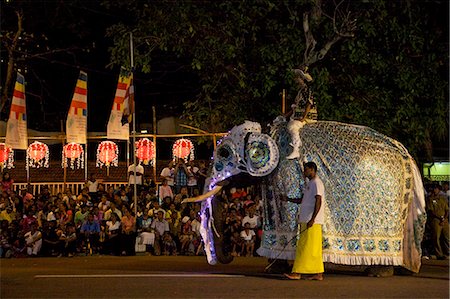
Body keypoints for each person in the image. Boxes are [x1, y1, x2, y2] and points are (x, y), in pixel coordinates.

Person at [284, 161, 325, 281]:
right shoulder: (310, 183)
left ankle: (297, 272)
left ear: (313, 169)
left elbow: (319, 201)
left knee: (304, 246)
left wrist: (313, 219)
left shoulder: (317, 183)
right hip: (306, 220)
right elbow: (304, 200)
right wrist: (288, 199)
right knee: (312, 248)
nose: (305, 172)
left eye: (306, 170)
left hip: (312, 221)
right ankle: (318, 273)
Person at [285, 67, 317, 160]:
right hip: (297, 115)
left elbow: (309, 103)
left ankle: (296, 148)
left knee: (292, 126)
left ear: (301, 79)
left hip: (306, 117)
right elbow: (296, 106)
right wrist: (285, 115)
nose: (295, 80)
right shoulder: (300, 91)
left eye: (296, 78)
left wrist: (304, 117)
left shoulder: (308, 90)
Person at [426, 185, 449, 260]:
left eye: (436, 189)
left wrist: (444, 218)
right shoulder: (430, 199)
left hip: (444, 220)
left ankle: (447, 252)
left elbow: (447, 210)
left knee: (447, 236)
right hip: (436, 220)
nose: (435, 190)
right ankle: (439, 254)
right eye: (434, 188)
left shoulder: (443, 199)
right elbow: (431, 211)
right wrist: (440, 218)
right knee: (436, 237)